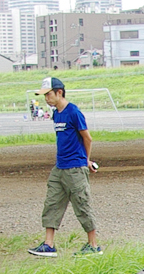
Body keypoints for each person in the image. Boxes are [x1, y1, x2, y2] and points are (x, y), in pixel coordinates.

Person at [28, 77, 101, 258]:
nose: (46, 99)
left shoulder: (73, 112)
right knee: (52, 203)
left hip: (75, 168)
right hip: (59, 167)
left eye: (48, 94)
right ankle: (48, 244)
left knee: (82, 205)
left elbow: (87, 138)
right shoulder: (57, 114)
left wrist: (86, 160)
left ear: (59, 92)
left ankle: (93, 245)